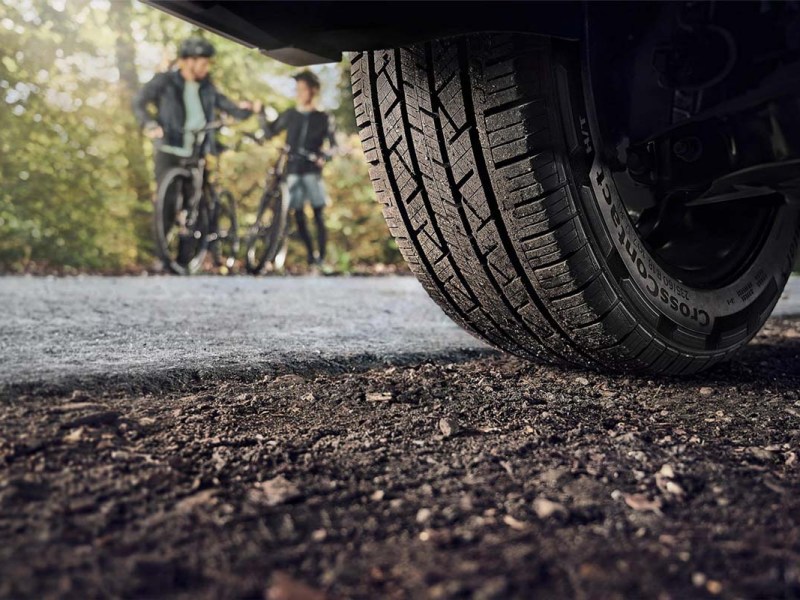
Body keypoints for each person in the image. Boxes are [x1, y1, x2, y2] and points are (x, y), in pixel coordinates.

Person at [132, 37, 262, 192]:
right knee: (167, 204)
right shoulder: (165, 81)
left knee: (199, 200)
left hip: (197, 152)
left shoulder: (208, 88)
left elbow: (231, 108)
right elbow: (138, 102)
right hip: (168, 149)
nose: (206, 69)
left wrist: (250, 109)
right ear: (188, 62)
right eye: (203, 64)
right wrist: (149, 123)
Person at [260, 70, 337, 269]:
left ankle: (321, 258)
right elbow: (270, 131)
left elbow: (334, 145)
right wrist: (260, 113)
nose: (299, 93)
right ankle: (311, 254)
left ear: (314, 90)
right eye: (298, 89)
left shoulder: (323, 117)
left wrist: (325, 156)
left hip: (312, 170)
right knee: (298, 214)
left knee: (318, 214)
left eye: (303, 89)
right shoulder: (290, 115)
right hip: (292, 169)